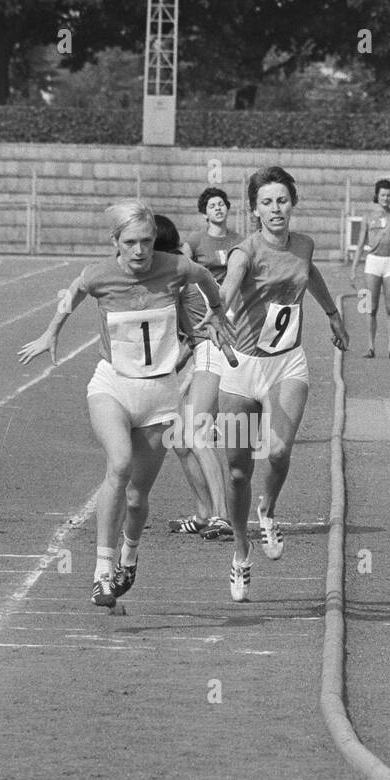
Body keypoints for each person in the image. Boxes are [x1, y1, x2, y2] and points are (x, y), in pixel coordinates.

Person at [17, 201, 232, 608]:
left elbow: (205, 276)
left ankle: (129, 557)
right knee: (118, 464)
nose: (139, 251)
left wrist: (217, 314)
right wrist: (51, 331)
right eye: (130, 242)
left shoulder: (175, 268)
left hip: (159, 396)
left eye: (146, 242)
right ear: (114, 241)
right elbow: (75, 292)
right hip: (113, 385)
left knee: (137, 497)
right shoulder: (99, 274)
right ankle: (102, 571)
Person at [219, 167, 349, 602]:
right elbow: (230, 284)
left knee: (277, 452)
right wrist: (218, 313)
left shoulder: (304, 245)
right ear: (254, 210)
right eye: (267, 203)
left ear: (292, 203)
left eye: (282, 201)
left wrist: (331, 313)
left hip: (287, 362)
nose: (276, 209)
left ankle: (268, 510)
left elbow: (308, 273)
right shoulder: (245, 251)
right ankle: (241, 552)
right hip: (241, 368)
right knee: (237, 469)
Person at [164, 187, 243, 540]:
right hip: (202, 350)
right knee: (180, 440)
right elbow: (183, 340)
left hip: (216, 348)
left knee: (195, 432)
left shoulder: (187, 283)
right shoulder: (173, 286)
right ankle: (203, 513)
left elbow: (203, 331)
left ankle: (223, 517)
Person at [349, 175, 390, 358]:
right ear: (376, 196)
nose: (385, 198)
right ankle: (371, 347)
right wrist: (354, 268)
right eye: (382, 195)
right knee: (371, 307)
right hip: (373, 263)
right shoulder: (367, 217)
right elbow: (360, 245)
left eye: (388, 195)